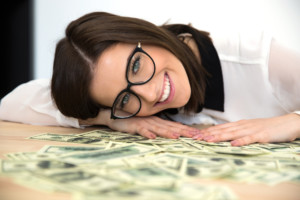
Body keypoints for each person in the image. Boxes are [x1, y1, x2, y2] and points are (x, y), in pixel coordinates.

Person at [0, 12, 299, 146]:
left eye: (136, 67)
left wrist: (291, 122)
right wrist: (110, 118)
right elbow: (11, 103)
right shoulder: (125, 111)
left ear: (143, 33)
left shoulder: (257, 58)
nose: (150, 93)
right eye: (125, 98)